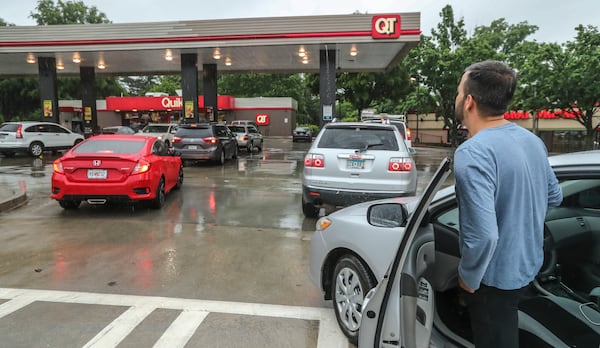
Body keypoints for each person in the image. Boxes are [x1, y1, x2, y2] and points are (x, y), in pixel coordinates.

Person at [453, 60, 563, 348]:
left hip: (493, 279)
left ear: (469, 102)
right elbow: (554, 197)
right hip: (529, 266)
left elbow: (485, 235)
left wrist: (468, 277)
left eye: (458, 92)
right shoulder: (532, 141)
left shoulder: (473, 153)